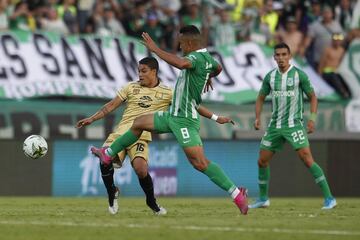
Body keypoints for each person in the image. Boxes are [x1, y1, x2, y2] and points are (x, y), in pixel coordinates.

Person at [90, 25, 249, 215]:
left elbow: (182, 64)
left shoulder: (195, 58)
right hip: (172, 115)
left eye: (181, 43)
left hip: (184, 120)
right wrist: (208, 76)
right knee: (139, 122)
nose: (180, 47)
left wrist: (155, 49)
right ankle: (109, 153)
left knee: (200, 163)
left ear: (190, 43)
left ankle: (236, 193)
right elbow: (218, 68)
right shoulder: (208, 59)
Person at [76, 57, 171, 215]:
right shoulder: (130, 87)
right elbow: (111, 106)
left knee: (141, 169)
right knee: (104, 160)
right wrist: (92, 118)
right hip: (121, 133)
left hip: (140, 136)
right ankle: (112, 192)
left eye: (144, 71)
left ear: (154, 72)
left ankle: (151, 201)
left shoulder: (168, 92)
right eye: (139, 71)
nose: (140, 74)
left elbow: (183, 108)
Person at [249, 43, 337, 210]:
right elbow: (260, 97)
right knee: (262, 161)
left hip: (294, 125)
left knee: (307, 159)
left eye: (284, 54)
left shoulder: (299, 75)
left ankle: (329, 198)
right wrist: (257, 118)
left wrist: (312, 119)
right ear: (274, 57)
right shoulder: (270, 77)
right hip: (275, 126)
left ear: (289, 56)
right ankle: (263, 198)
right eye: (278, 55)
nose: (281, 58)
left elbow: (313, 97)